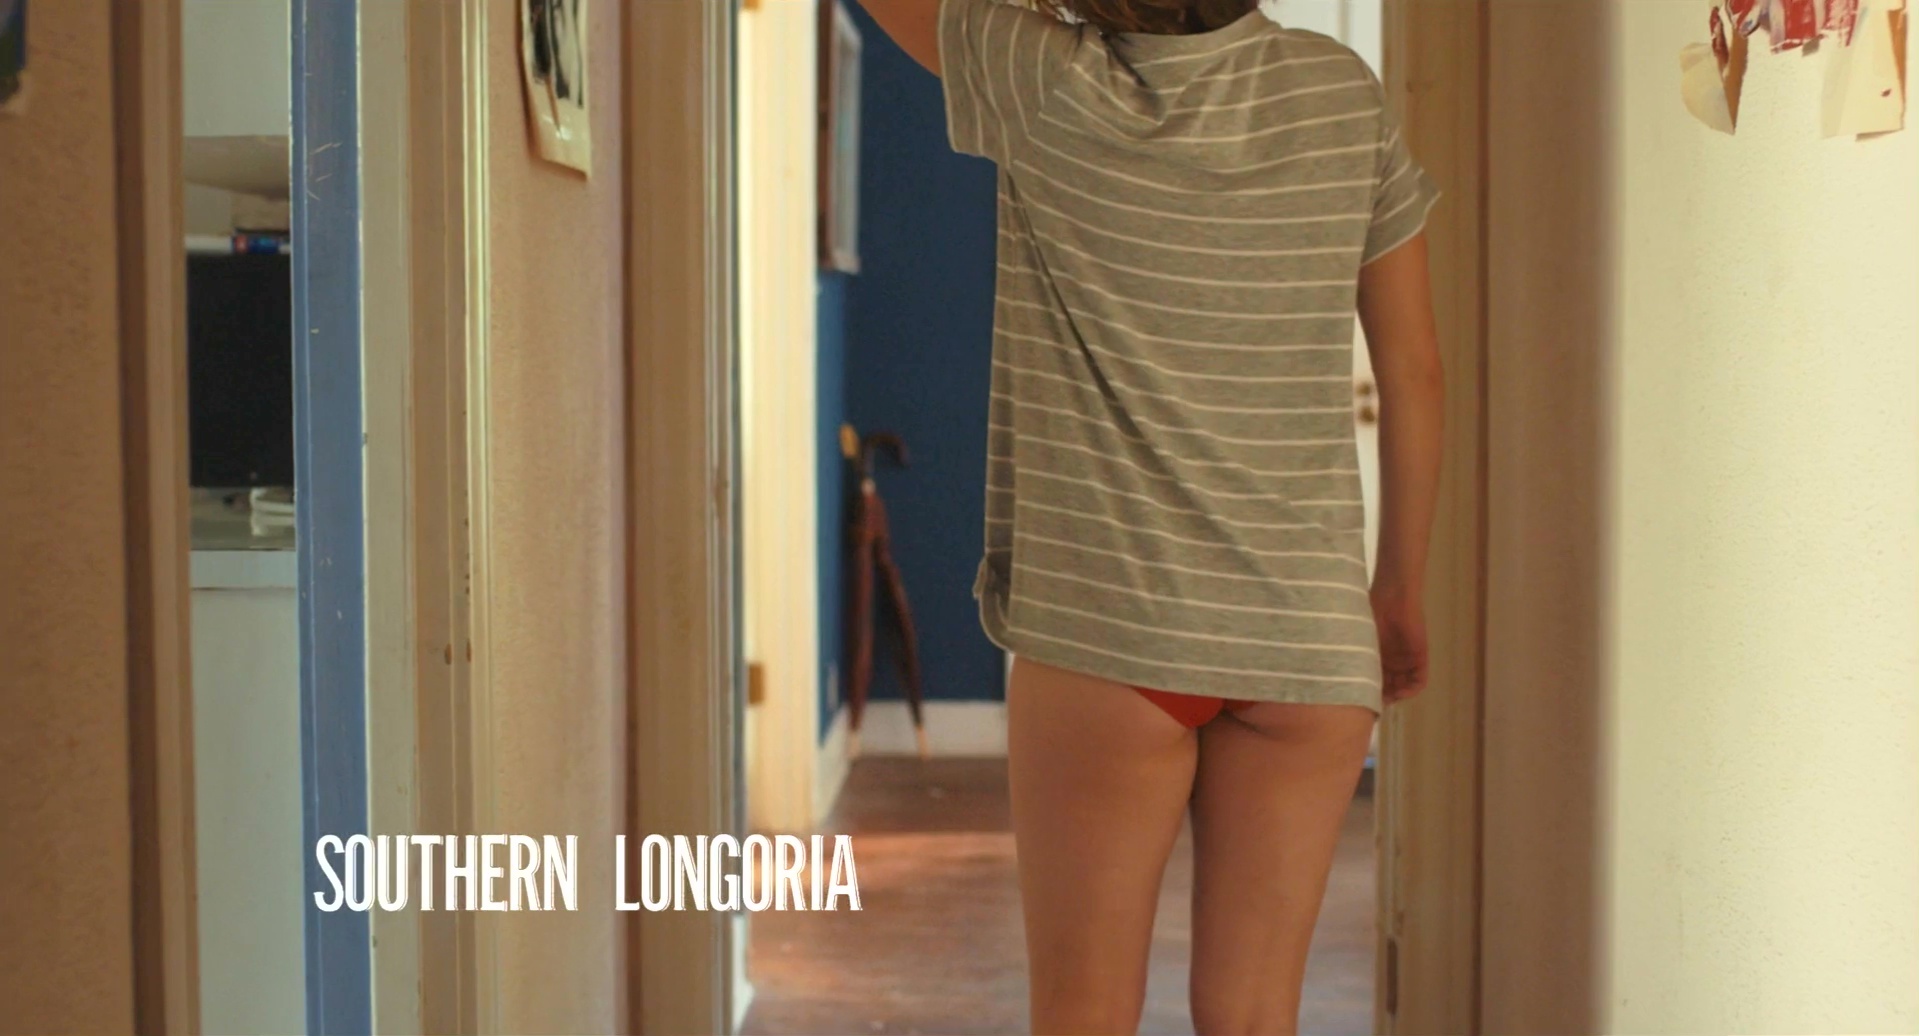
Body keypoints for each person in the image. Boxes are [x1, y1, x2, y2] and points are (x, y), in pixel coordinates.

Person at [851, 0, 1446, 1031]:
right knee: (1255, 1015)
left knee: (1081, 1010)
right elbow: (1415, 373)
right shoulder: (1340, 95)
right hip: (1306, 641)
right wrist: (1395, 589)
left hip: (1110, 633)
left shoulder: (1040, 76)